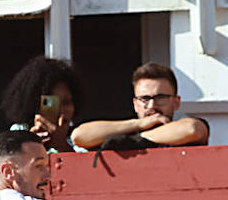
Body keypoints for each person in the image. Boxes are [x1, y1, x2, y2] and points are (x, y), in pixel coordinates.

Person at [70, 63, 210, 151]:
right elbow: (79, 136)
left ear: (176, 102)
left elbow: (193, 129)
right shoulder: (126, 132)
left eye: (160, 98)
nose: (152, 106)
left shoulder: (184, 129)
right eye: (145, 99)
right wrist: (138, 124)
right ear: (135, 104)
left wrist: (137, 140)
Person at [0, 56, 86, 154]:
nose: (60, 110)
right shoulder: (16, 134)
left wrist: (62, 146)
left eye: (66, 102)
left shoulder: (80, 142)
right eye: (50, 102)